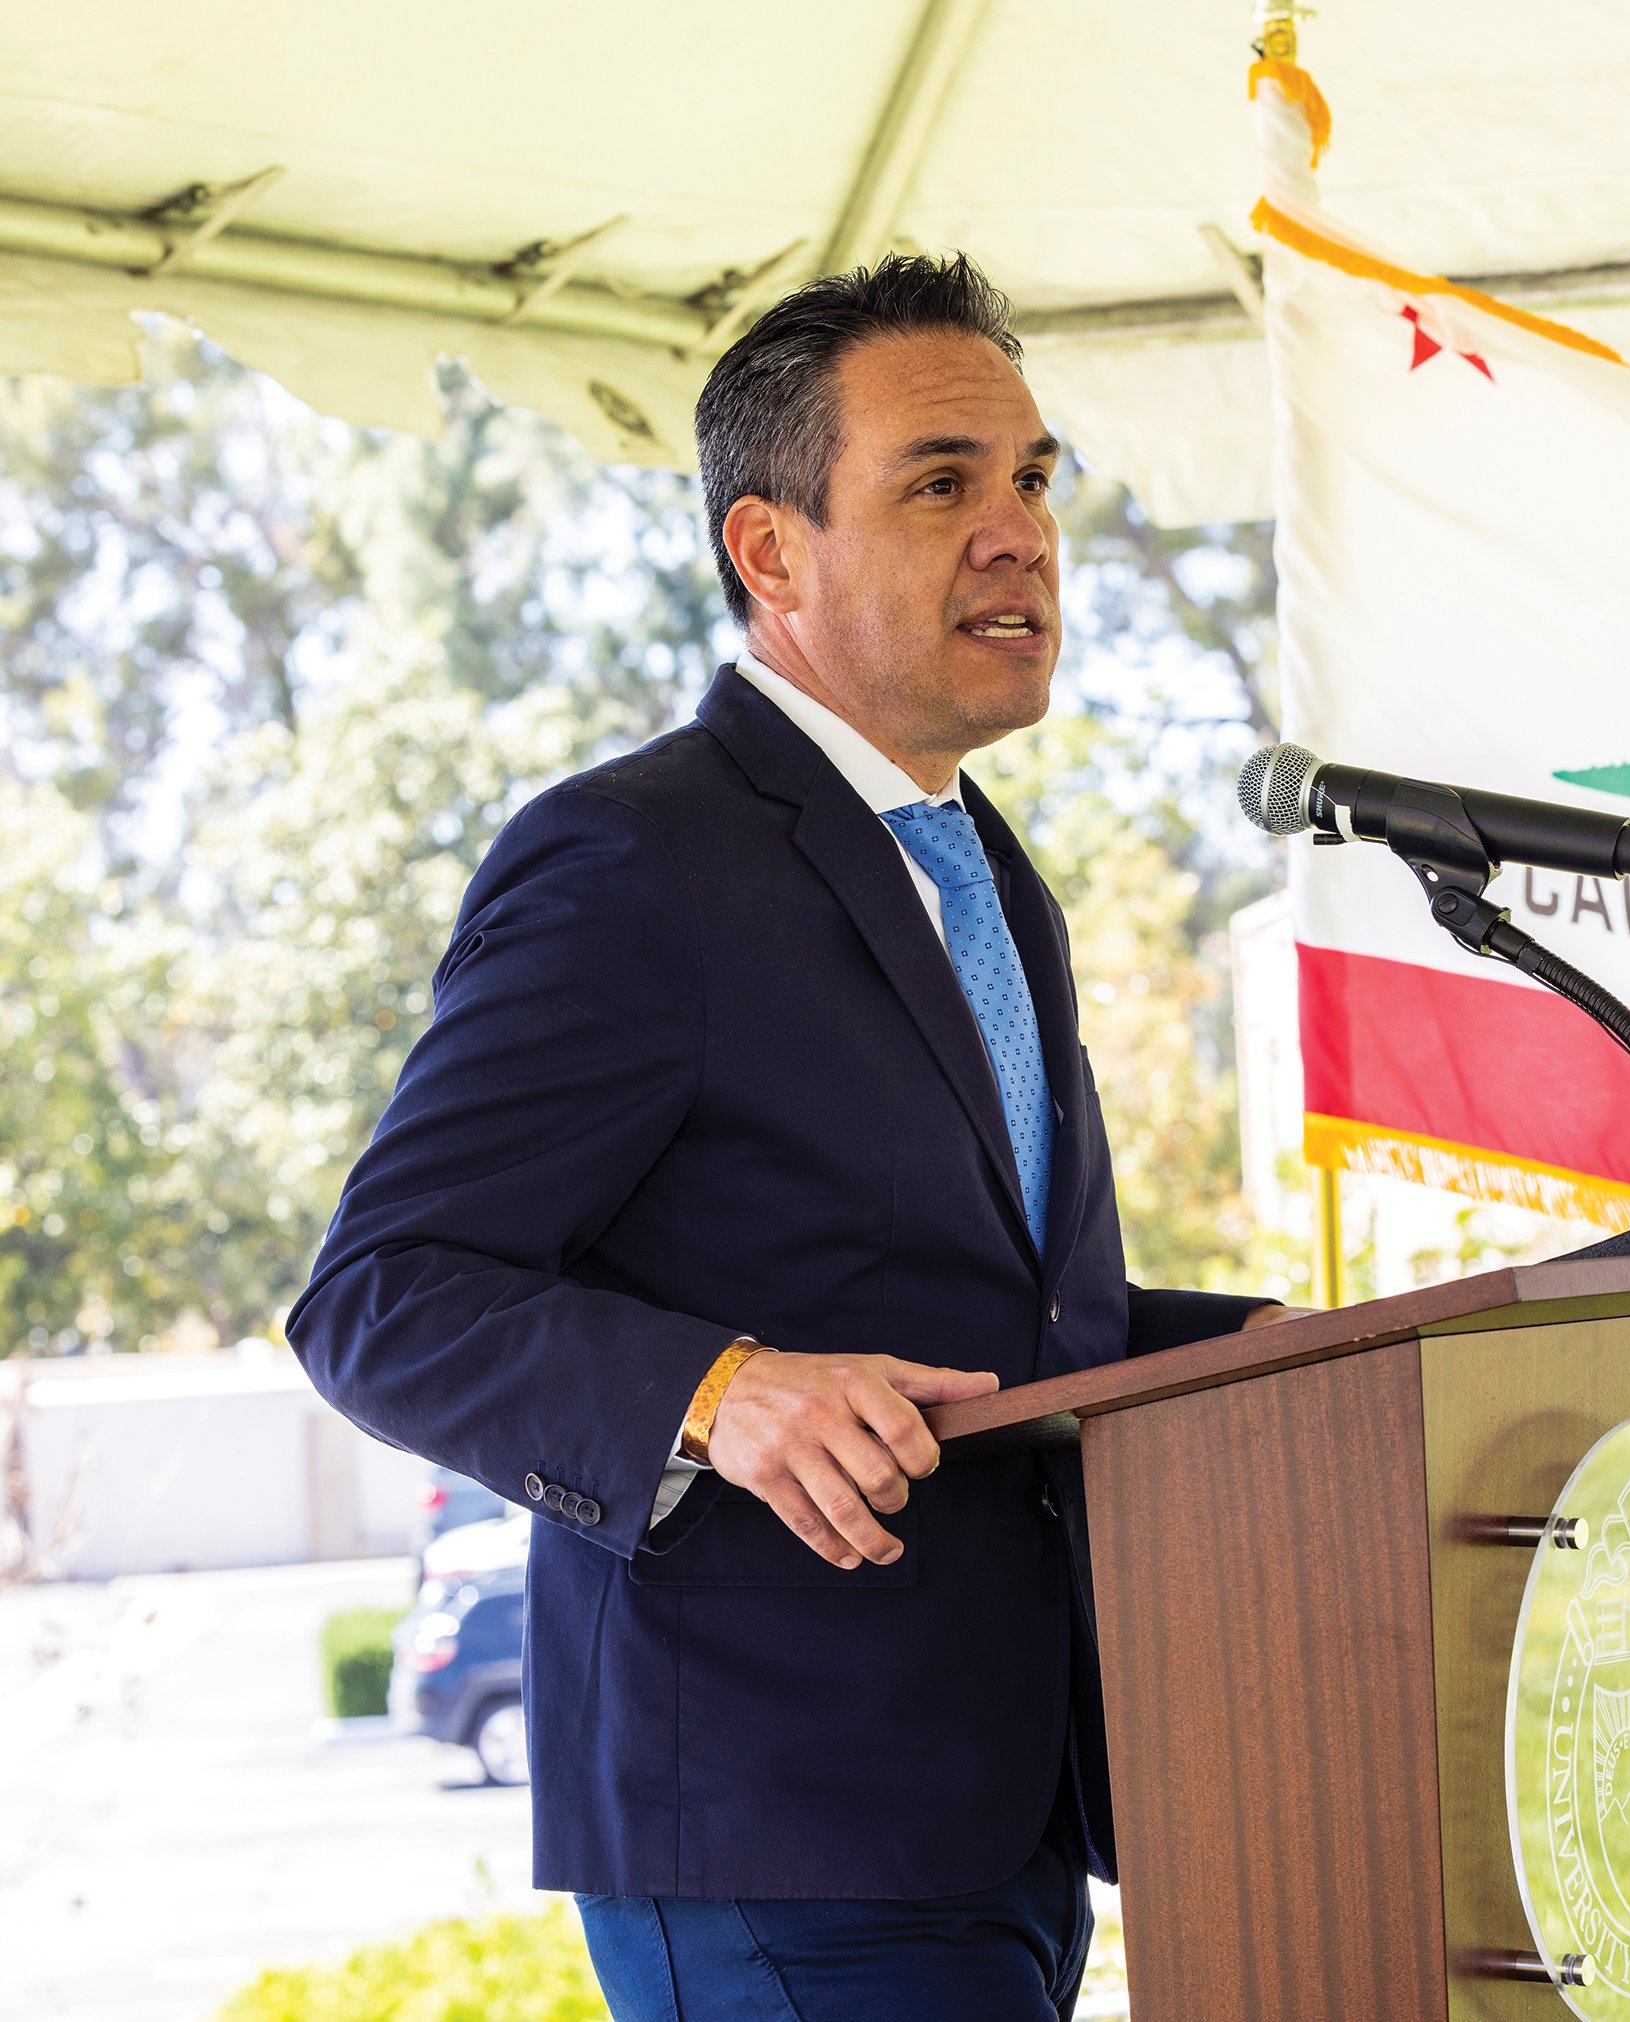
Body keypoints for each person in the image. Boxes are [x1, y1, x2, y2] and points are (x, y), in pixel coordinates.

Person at [290, 254, 1301, 2019]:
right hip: (779, 1835)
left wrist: (1278, 1354)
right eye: (942, 483)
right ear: (771, 553)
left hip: (1005, 1810)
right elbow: (380, 1296)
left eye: (1034, 477)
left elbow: (996, 1324)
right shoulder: (635, 863)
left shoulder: (988, 877)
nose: (1019, 533)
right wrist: (715, 1386)